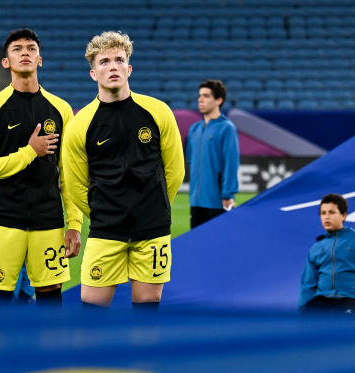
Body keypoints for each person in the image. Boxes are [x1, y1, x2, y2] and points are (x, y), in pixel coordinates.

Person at [62, 31, 185, 310]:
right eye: (104, 62)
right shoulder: (80, 124)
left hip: (152, 230)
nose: (113, 66)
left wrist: (153, 207)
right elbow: (76, 183)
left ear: (129, 69)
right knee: (92, 308)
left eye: (119, 60)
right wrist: (104, 213)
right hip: (106, 231)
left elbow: (174, 171)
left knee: (147, 306)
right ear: (93, 73)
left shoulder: (158, 111)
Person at [0, 28, 81, 306]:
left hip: (49, 221)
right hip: (4, 219)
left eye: (31, 48)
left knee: (50, 300)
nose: (25, 53)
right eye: (17, 49)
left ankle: (49, 350)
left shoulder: (61, 109)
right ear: (6, 62)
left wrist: (75, 224)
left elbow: (70, 173)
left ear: (40, 60)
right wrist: (30, 152)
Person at [186, 79, 239, 228]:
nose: (200, 100)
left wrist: (228, 194)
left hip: (218, 202)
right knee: (197, 246)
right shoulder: (194, 129)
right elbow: (190, 158)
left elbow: (231, 163)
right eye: (199, 95)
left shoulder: (227, 128)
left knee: (219, 247)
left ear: (219, 100)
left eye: (206, 96)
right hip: (196, 201)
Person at [299, 193, 355, 313]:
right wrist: (302, 309)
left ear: (343, 215)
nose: (326, 217)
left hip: (349, 298)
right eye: (323, 213)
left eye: (331, 212)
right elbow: (308, 283)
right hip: (321, 300)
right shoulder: (316, 247)